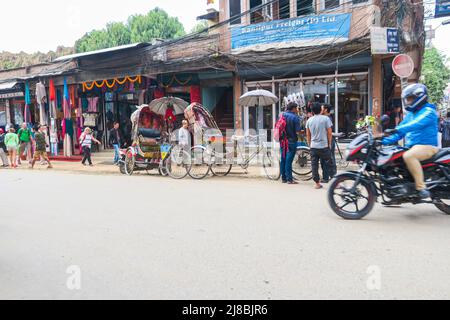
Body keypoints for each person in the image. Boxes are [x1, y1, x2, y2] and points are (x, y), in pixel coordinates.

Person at [382, 83, 439, 199]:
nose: (408, 102)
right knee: (393, 157)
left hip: (427, 146)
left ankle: (421, 188)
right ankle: (399, 192)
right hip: (412, 146)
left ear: (420, 97)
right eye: (407, 99)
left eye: (410, 99)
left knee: (409, 156)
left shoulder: (429, 111)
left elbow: (415, 124)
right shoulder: (410, 114)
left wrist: (396, 128)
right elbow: (400, 133)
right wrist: (382, 141)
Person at [306, 103, 333, 189]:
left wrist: (310, 144)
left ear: (312, 111)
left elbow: (308, 135)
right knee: (329, 164)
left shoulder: (309, 120)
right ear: (320, 110)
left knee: (314, 165)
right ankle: (336, 182)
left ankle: (317, 183)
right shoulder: (326, 119)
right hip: (324, 146)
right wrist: (329, 143)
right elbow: (329, 133)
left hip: (313, 147)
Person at [279, 102, 302, 185]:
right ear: (293, 108)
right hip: (291, 141)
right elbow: (297, 131)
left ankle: (284, 178)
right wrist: (301, 133)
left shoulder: (282, 115)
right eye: (296, 108)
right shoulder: (295, 117)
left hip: (282, 141)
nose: (297, 109)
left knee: (283, 159)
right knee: (289, 160)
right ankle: (289, 179)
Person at [321, 104, 337, 180]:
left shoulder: (327, 118)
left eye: (322, 108)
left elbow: (329, 132)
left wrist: (329, 143)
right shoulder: (327, 117)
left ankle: (333, 175)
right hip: (327, 140)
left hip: (329, 140)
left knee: (330, 157)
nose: (321, 110)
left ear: (325, 110)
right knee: (329, 157)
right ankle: (331, 174)